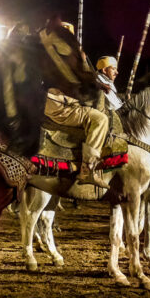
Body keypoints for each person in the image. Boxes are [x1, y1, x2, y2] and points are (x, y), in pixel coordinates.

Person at [44, 23, 110, 189]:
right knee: (100, 119)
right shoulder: (63, 55)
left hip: (51, 100)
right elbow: (77, 81)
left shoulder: (45, 52)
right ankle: (88, 170)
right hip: (60, 103)